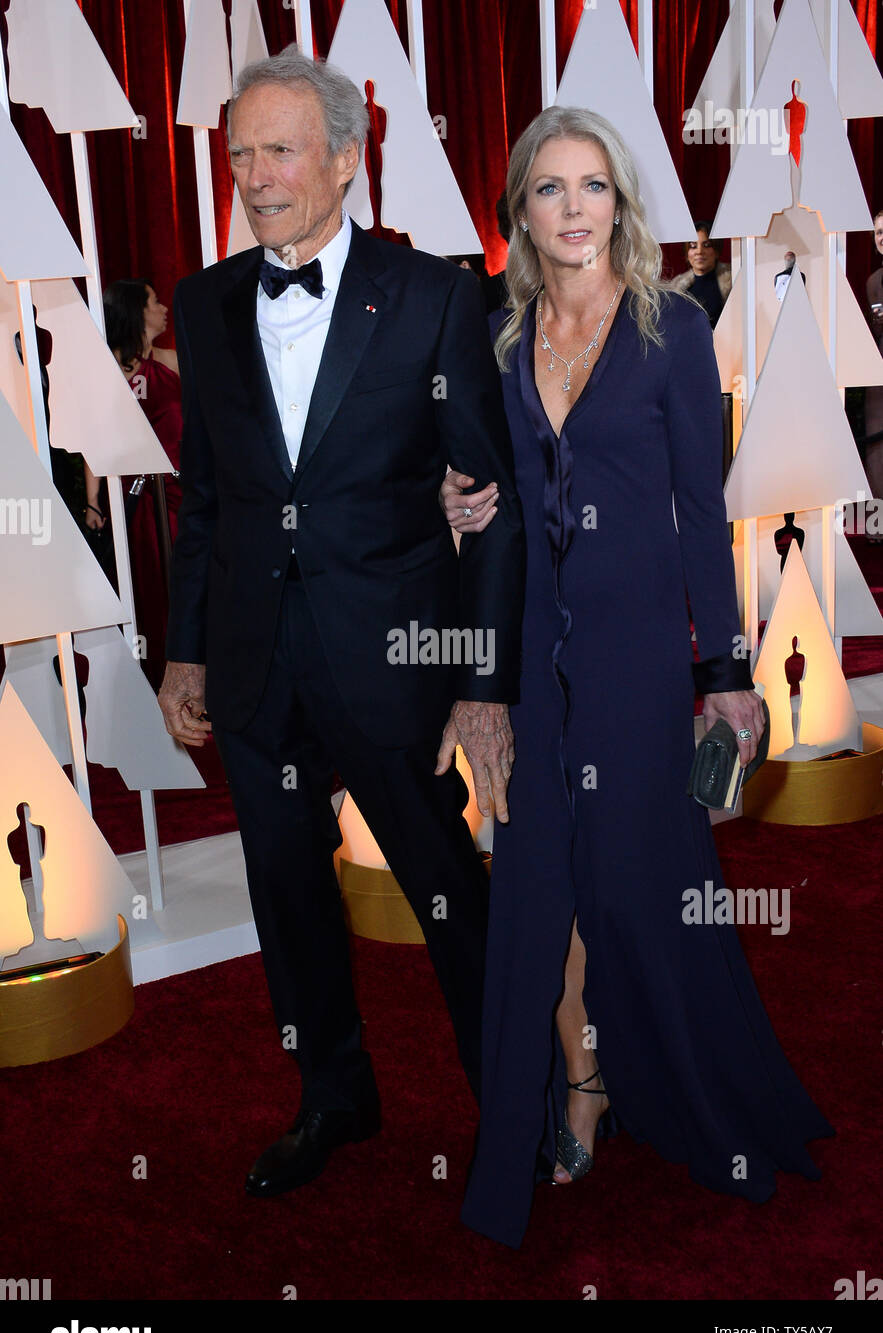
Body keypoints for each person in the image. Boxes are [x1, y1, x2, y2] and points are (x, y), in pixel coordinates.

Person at [441, 106, 832, 1249]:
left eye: (594, 186)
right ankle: (578, 1084)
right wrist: (458, 506)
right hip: (530, 654)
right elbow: (489, 493)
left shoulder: (669, 331)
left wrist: (722, 669)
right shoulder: (500, 341)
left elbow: (702, 516)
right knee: (536, 883)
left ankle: (672, 1081)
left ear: (622, 203)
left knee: (634, 882)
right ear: (518, 210)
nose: (575, 209)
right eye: (551, 189)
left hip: (634, 663)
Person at [157, 47, 525, 1200]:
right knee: (287, 892)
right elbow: (207, 497)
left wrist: (480, 676)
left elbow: (493, 504)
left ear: (347, 160)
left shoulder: (434, 298)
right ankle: (333, 1096)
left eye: (279, 150)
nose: (256, 178)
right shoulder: (206, 303)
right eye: (238, 156)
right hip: (258, 663)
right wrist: (187, 651)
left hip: (398, 664)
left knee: (448, 893)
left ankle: (505, 1100)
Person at [104, 278, 183, 684]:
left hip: (185, 490)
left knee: (191, 580)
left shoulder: (172, 359)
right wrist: (96, 501)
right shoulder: (108, 369)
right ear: (137, 310)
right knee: (154, 582)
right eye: (154, 300)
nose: (163, 307)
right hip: (141, 497)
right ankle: (158, 676)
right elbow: (98, 437)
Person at [669, 220, 731, 327]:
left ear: (716, 251)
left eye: (706, 245)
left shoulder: (734, 280)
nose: (699, 251)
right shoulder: (675, 288)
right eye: (693, 246)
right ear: (687, 253)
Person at [864, 210, 883, 510]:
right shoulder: (873, 282)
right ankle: (876, 526)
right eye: (879, 232)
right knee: (877, 449)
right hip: (879, 379)